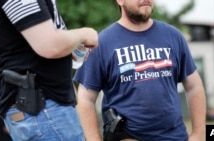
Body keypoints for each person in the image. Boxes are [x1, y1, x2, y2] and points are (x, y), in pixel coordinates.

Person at [73, 0, 206, 141]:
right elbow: (85, 99)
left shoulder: (173, 36)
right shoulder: (102, 43)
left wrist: (198, 134)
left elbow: (194, 87)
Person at [0, 0, 98, 140]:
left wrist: (69, 44)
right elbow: (49, 45)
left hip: (38, 109)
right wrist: (83, 34)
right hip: (42, 109)